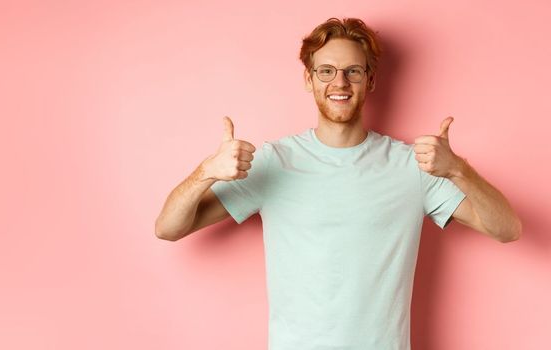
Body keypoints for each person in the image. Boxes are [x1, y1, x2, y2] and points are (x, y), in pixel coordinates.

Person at [153, 17, 522, 349]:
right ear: (309, 79)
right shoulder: (274, 162)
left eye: (353, 72)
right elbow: (168, 228)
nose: (339, 83)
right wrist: (206, 172)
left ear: (370, 79)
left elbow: (507, 229)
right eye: (326, 71)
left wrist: (458, 169)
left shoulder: (413, 166)